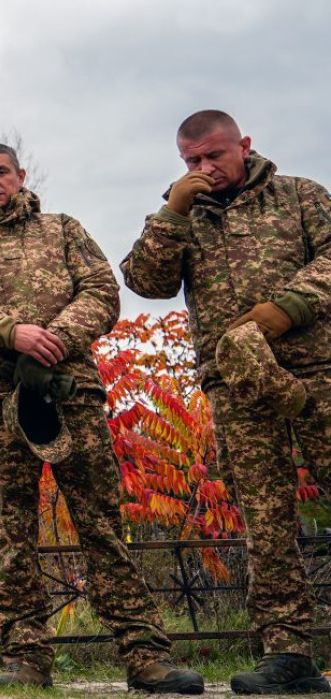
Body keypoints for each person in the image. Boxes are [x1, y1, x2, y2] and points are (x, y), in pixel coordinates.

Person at [0, 142, 204, 692]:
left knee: (101, 526)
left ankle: (145, 654)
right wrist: (11, 332)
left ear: (20, 175)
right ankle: (26, 658)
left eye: (1, 171)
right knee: (14, 534)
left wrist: (53, 340)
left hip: (71, 392)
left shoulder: (63, 230)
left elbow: (102, 292)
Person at [121, 111, 331, 695]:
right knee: (264, 520)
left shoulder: (300, 196)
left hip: (316, 369)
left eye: (214, 156)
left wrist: (285, 309)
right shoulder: (182, 217)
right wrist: (171, 213)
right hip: (233, 384)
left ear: (245, 145)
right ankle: (288, 654)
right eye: (191, 161)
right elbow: (145, 281)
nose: (204, 169)